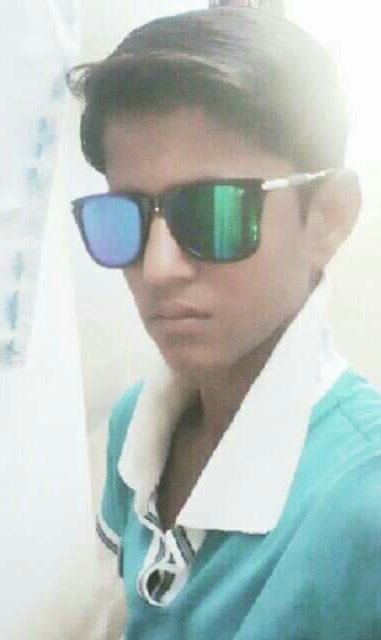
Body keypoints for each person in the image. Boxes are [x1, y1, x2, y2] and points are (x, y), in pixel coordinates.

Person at [68, 6, 381, 639]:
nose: (157, 268)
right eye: (125, 217)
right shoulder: (135, 424)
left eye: (214, 213)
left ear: (326, 217)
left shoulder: (362, 508)